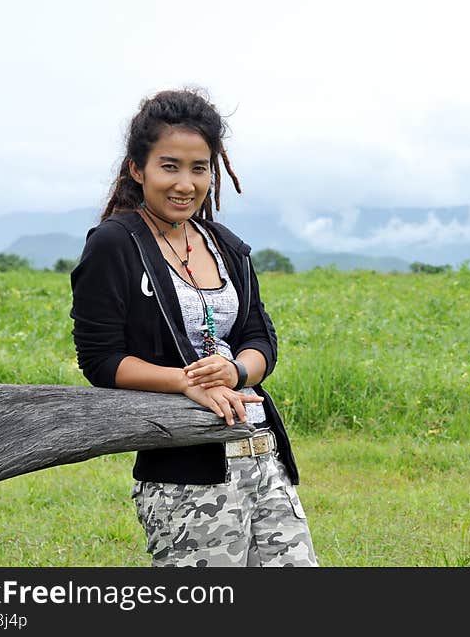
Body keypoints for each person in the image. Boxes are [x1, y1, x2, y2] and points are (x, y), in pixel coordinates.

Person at [70, 87, 318, 567]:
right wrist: (186, 383)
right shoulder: (114, 245)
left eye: (199, 168)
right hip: (185, 469)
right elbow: (100, 359)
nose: (186, 183)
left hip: (261, 457)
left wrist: (237, 374)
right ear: (137, 169)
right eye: (170, 166)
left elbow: (259, 338)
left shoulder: (226, 245)